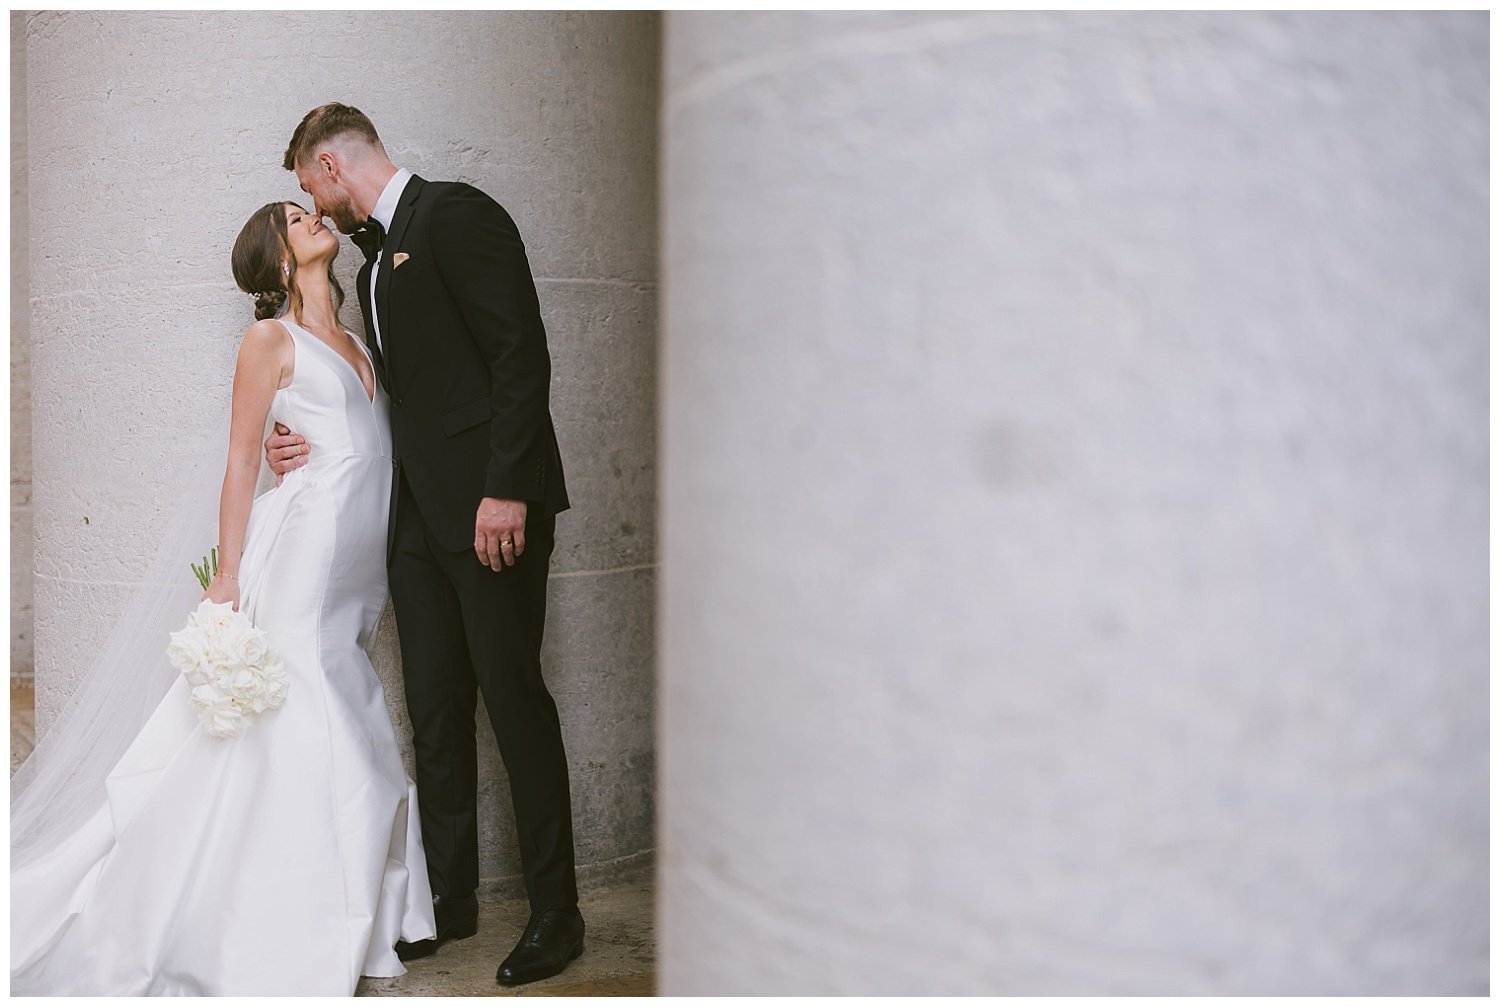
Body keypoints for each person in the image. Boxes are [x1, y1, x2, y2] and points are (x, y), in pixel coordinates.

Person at [9, 201, 436, 995]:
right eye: (293, 218)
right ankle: (294, 914)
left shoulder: (354, 337)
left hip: (358, 568)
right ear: (279, 262)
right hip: (305, 554)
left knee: (340, 692)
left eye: (309, 209)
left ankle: (358, 903)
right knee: (315, 709)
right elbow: (242, 459)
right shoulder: (268, 340)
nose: (313, 217)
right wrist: (230, 574)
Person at [266, 103, 583, 988]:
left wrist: (507, 487)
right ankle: (451, 899)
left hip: (491, 511)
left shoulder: (457, 213)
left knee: (514, 700)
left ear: (330, 164)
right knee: (437, 714)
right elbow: (374, 396)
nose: (314, 211)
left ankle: (558, 912)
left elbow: (521, 352)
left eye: (306, 189)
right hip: (418, 525)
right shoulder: (369, 269)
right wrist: (284, 435)